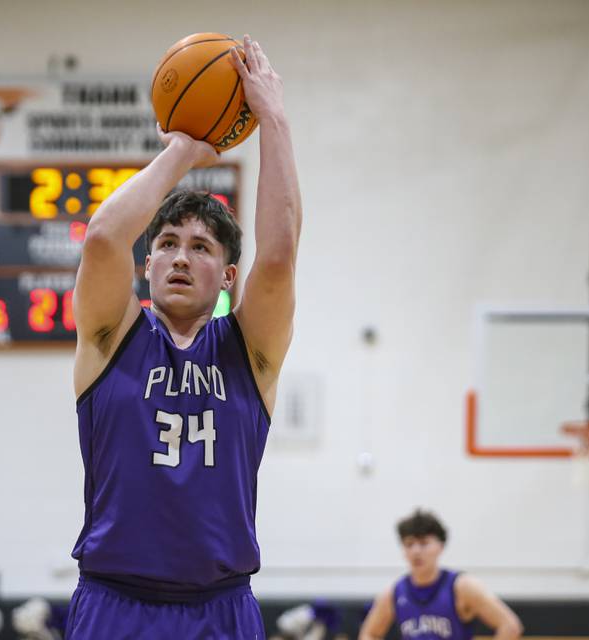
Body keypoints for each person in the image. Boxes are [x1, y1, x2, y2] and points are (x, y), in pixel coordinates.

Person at [65, 34, 301, 639]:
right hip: (115, 603)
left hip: (220, 608)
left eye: (200, 248)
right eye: (167, 244)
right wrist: (183, 150)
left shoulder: (249, 352)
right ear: (147, 265)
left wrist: (273, 119)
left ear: (227, 276)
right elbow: (103, 238)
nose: (178, 257)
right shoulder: (111, 337)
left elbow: (278, 257)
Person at [359, 510, 523, 640]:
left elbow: (510, 626)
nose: (416, 551)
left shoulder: (462, 586)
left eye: (424, 543)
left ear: (440, 546)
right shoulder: (394, 592)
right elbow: (368, 634)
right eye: (409, 544)